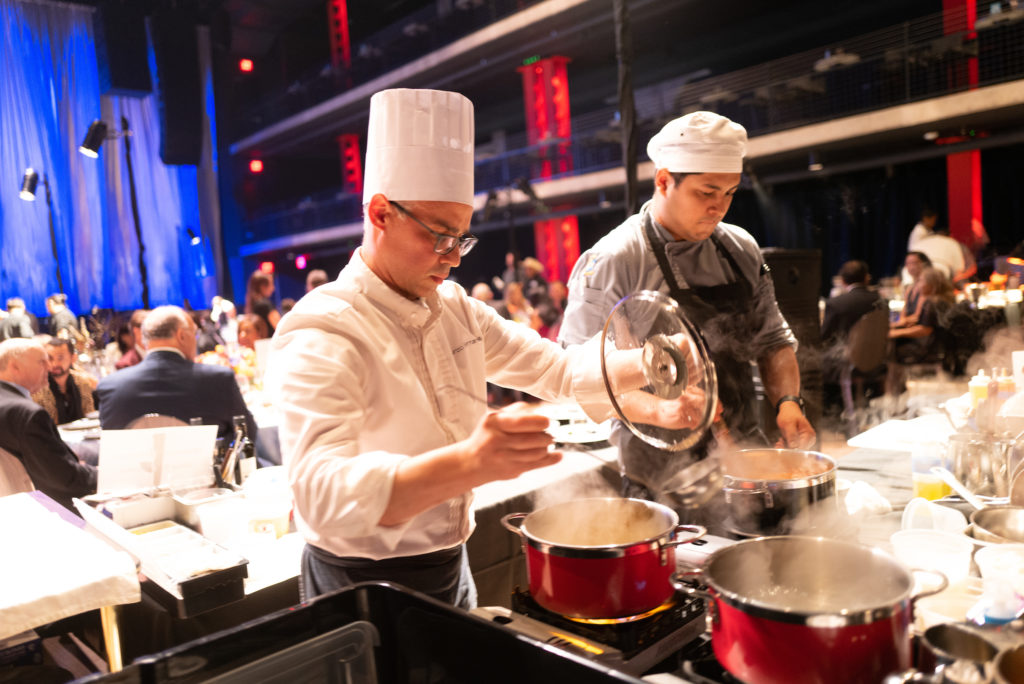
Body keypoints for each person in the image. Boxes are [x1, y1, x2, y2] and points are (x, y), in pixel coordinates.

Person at [266, 89, 690, 609]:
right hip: (360, 585)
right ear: (380, 213)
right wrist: (467, 463)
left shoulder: (455, 308)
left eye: (461, 239)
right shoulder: (325, 328)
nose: (453, 259)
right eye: (439, 236)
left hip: (450, 562)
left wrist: (650, 361)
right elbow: (319, 493)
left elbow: (555, 371)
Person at [560, 110, 816, 502]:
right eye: (706, 192)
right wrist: (661, 411)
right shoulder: (614, 260)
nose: (719, 207)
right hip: (661, 474)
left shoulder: (740, 248)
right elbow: (580, 379)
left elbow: (772, 340)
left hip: (742, 456)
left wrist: (788, 402)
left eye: (729, 193)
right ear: (664, 180)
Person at [95, 306, 256, 441]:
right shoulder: (218, 380)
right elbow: (248, 434)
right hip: (207, 477)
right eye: (195, 333)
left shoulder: (110, 387)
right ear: (181, 336)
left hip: (137, 478)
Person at [0, 338, 96, 511]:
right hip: (47, 508)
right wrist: (103, 474)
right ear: (15, 367)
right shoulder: (27, 413)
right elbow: (64, 478)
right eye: (42, 362)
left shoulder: (11, 406)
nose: (50, 367)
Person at [32, 336, 96, 426]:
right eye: (50, 358)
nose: (54, 364)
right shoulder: (37, 386)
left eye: (60, 358)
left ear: (73, 358)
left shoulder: (82, 382)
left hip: (82, 434)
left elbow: (90, 414)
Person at [820, 260, 883, 346]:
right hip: (874, 352)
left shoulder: (835, 303)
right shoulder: (879, 299)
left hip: (842, 355)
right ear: (866, 278)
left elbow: (824, 336)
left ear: (842, 281)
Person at [245, 271, 281, 335]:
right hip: (269, 342)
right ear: (262, 286)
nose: (273, 288)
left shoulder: (253, 304)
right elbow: (280, 327)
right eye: (271, 284)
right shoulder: (265, 305)